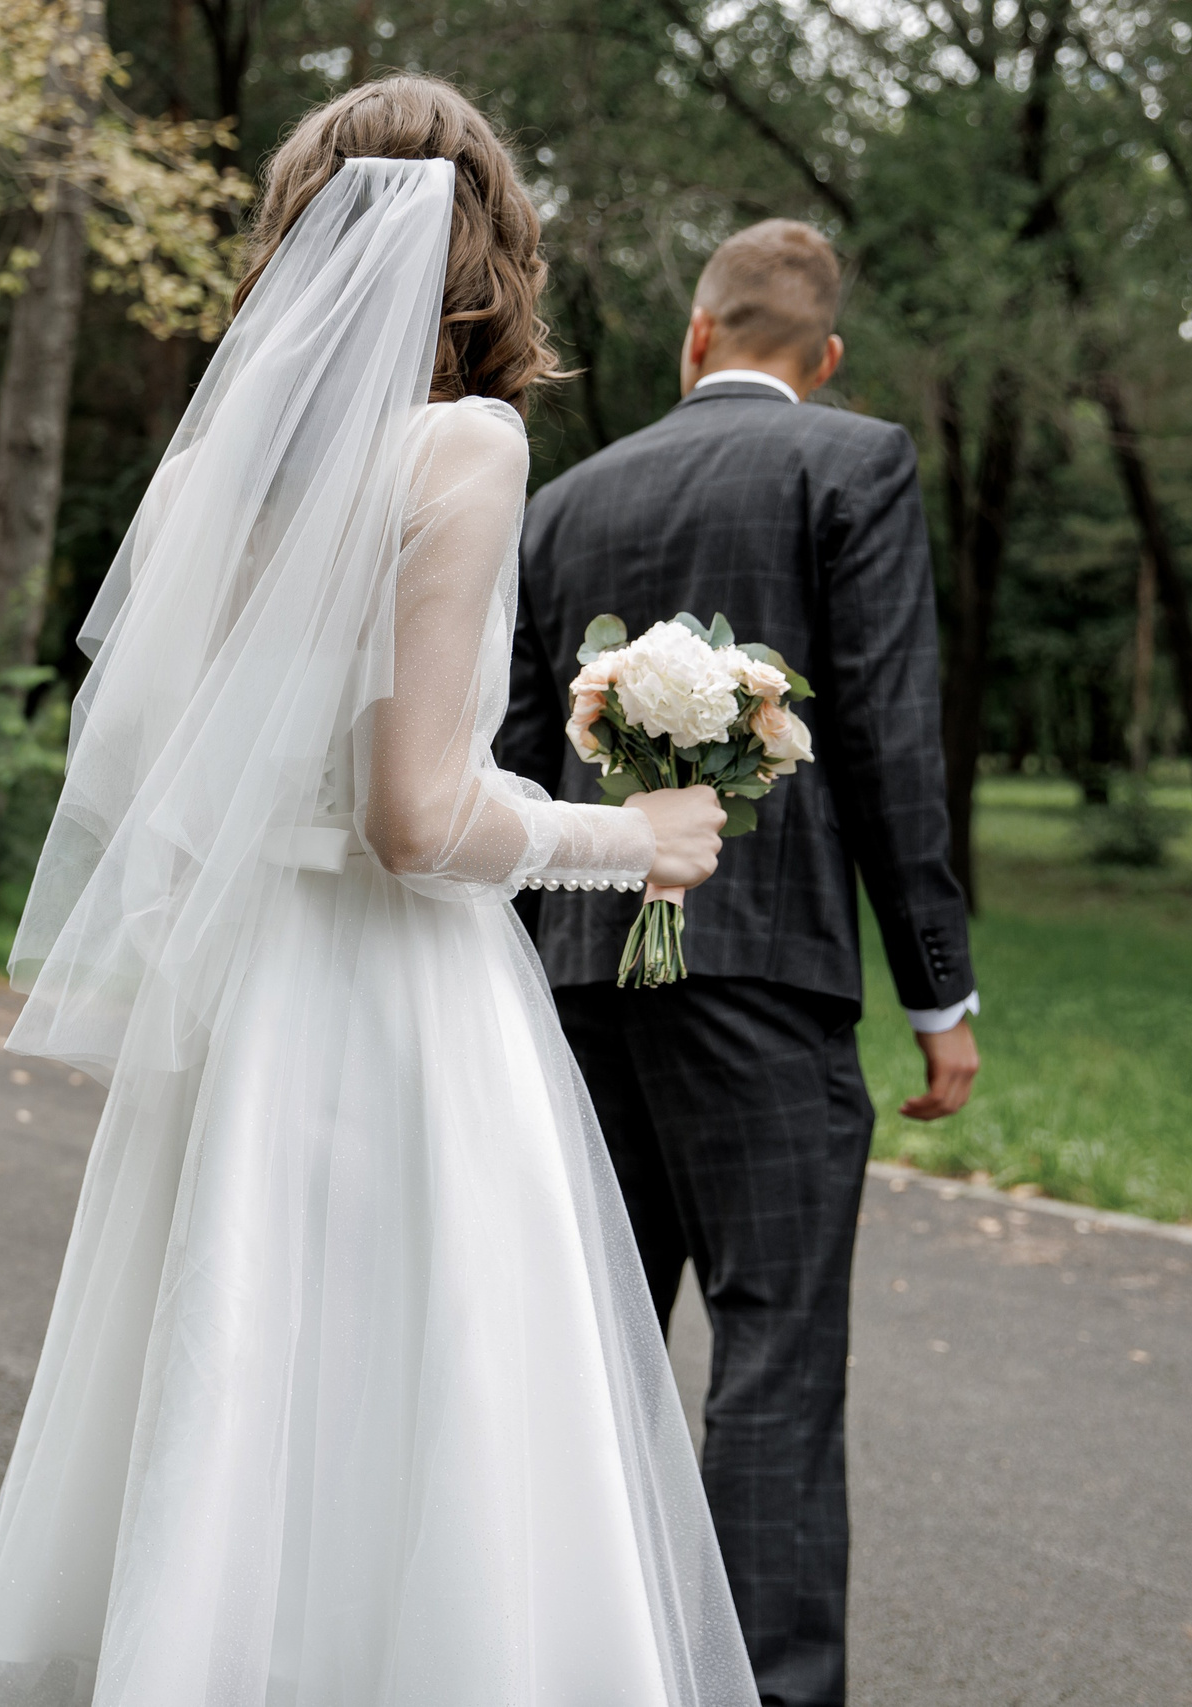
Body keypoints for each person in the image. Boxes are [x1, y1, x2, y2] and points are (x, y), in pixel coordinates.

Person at [0, 80, 756, 1707]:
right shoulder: (465, 446)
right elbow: (415, 818)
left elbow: (190, 771)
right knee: (433, 1388)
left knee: (237, 1373)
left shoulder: (214, 472)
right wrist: (633, 836)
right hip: (399, 995)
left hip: (253, 988)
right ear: (491, 248)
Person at [499, 220, 982, 1705]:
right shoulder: (855, 462)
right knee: (774, 1346)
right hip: (767, 985)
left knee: (598, 1356)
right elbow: (890, 737)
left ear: (695, 335)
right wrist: (939, 992)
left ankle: (573, 1666)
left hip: (577, 977)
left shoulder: (562, 502)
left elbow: (510, 756)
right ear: (822, 358)